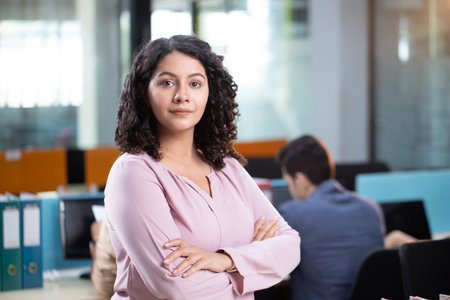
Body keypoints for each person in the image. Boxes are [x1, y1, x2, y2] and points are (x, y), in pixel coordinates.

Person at [104, 34, 300, 300]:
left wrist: (226, 260)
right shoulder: (134, 173)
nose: (182, 96)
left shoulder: (226, 167)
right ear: (144, 91)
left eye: (195, 83)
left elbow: (290, 246)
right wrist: (251, 265)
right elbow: (174, 287)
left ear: (210, 92)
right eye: (167, 82)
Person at [276, 134, 385, 300]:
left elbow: (272, 267)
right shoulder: (371, 207)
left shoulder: (293, 213)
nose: (290, 189)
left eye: (288, 182)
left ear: (299, 179)